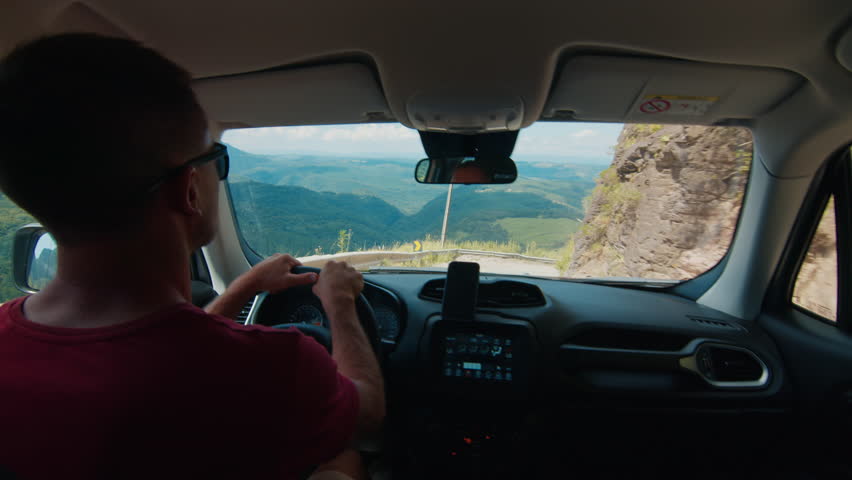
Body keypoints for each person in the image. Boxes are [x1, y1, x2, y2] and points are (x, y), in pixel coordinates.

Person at [0, 33, 384, 479]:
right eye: (216, 158)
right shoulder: (273, 367)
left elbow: (172, 348)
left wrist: (246, 286)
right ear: (188, 190)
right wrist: (339, 303)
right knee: (344, 459)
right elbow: (367, 415)